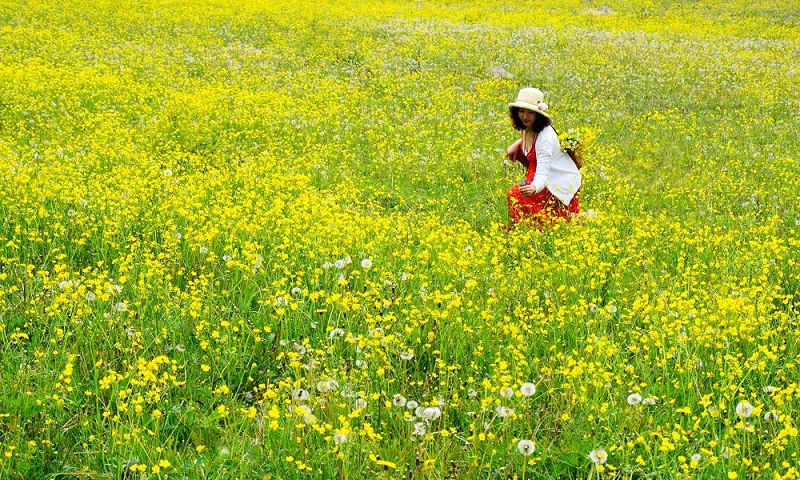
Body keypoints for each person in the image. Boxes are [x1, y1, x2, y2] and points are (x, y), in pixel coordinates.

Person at [505, 87, 582, 225]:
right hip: (539, 176)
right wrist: (518, 143)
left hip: (555, 181)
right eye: (521, 111)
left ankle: (536, 231)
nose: (525, 116)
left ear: (538, 115)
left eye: (530, 112)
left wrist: (534, 187)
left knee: (515, 194)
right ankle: (527, 228)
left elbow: (543, 173)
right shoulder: (528, 127)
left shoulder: (545, 138)